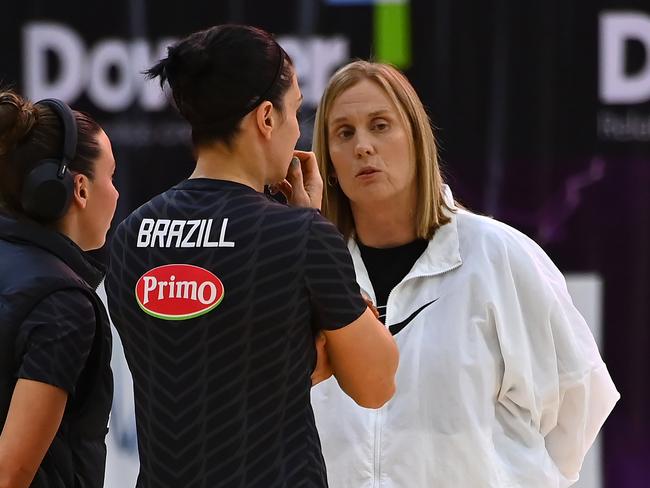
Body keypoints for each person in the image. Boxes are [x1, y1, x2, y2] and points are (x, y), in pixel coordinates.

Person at [104, 25, 398, 488]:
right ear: (266, 117)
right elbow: (376, 383)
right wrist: (316, 234)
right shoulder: (299, 235)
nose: (297, 129)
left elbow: (201, 371)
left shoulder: (129, 235)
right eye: (296, 110)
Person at [310, 60, 620, 488]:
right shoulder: (312, 275)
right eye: (344, 133)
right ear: (328, 160)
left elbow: (580, 396)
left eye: (380, 125)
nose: (363, 145)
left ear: (416, 138)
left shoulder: (498, 255)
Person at [0, 91, 117, 488]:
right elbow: (11, 472)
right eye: (111, 177)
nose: (116, 193)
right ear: (79, 189)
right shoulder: (62, 304)